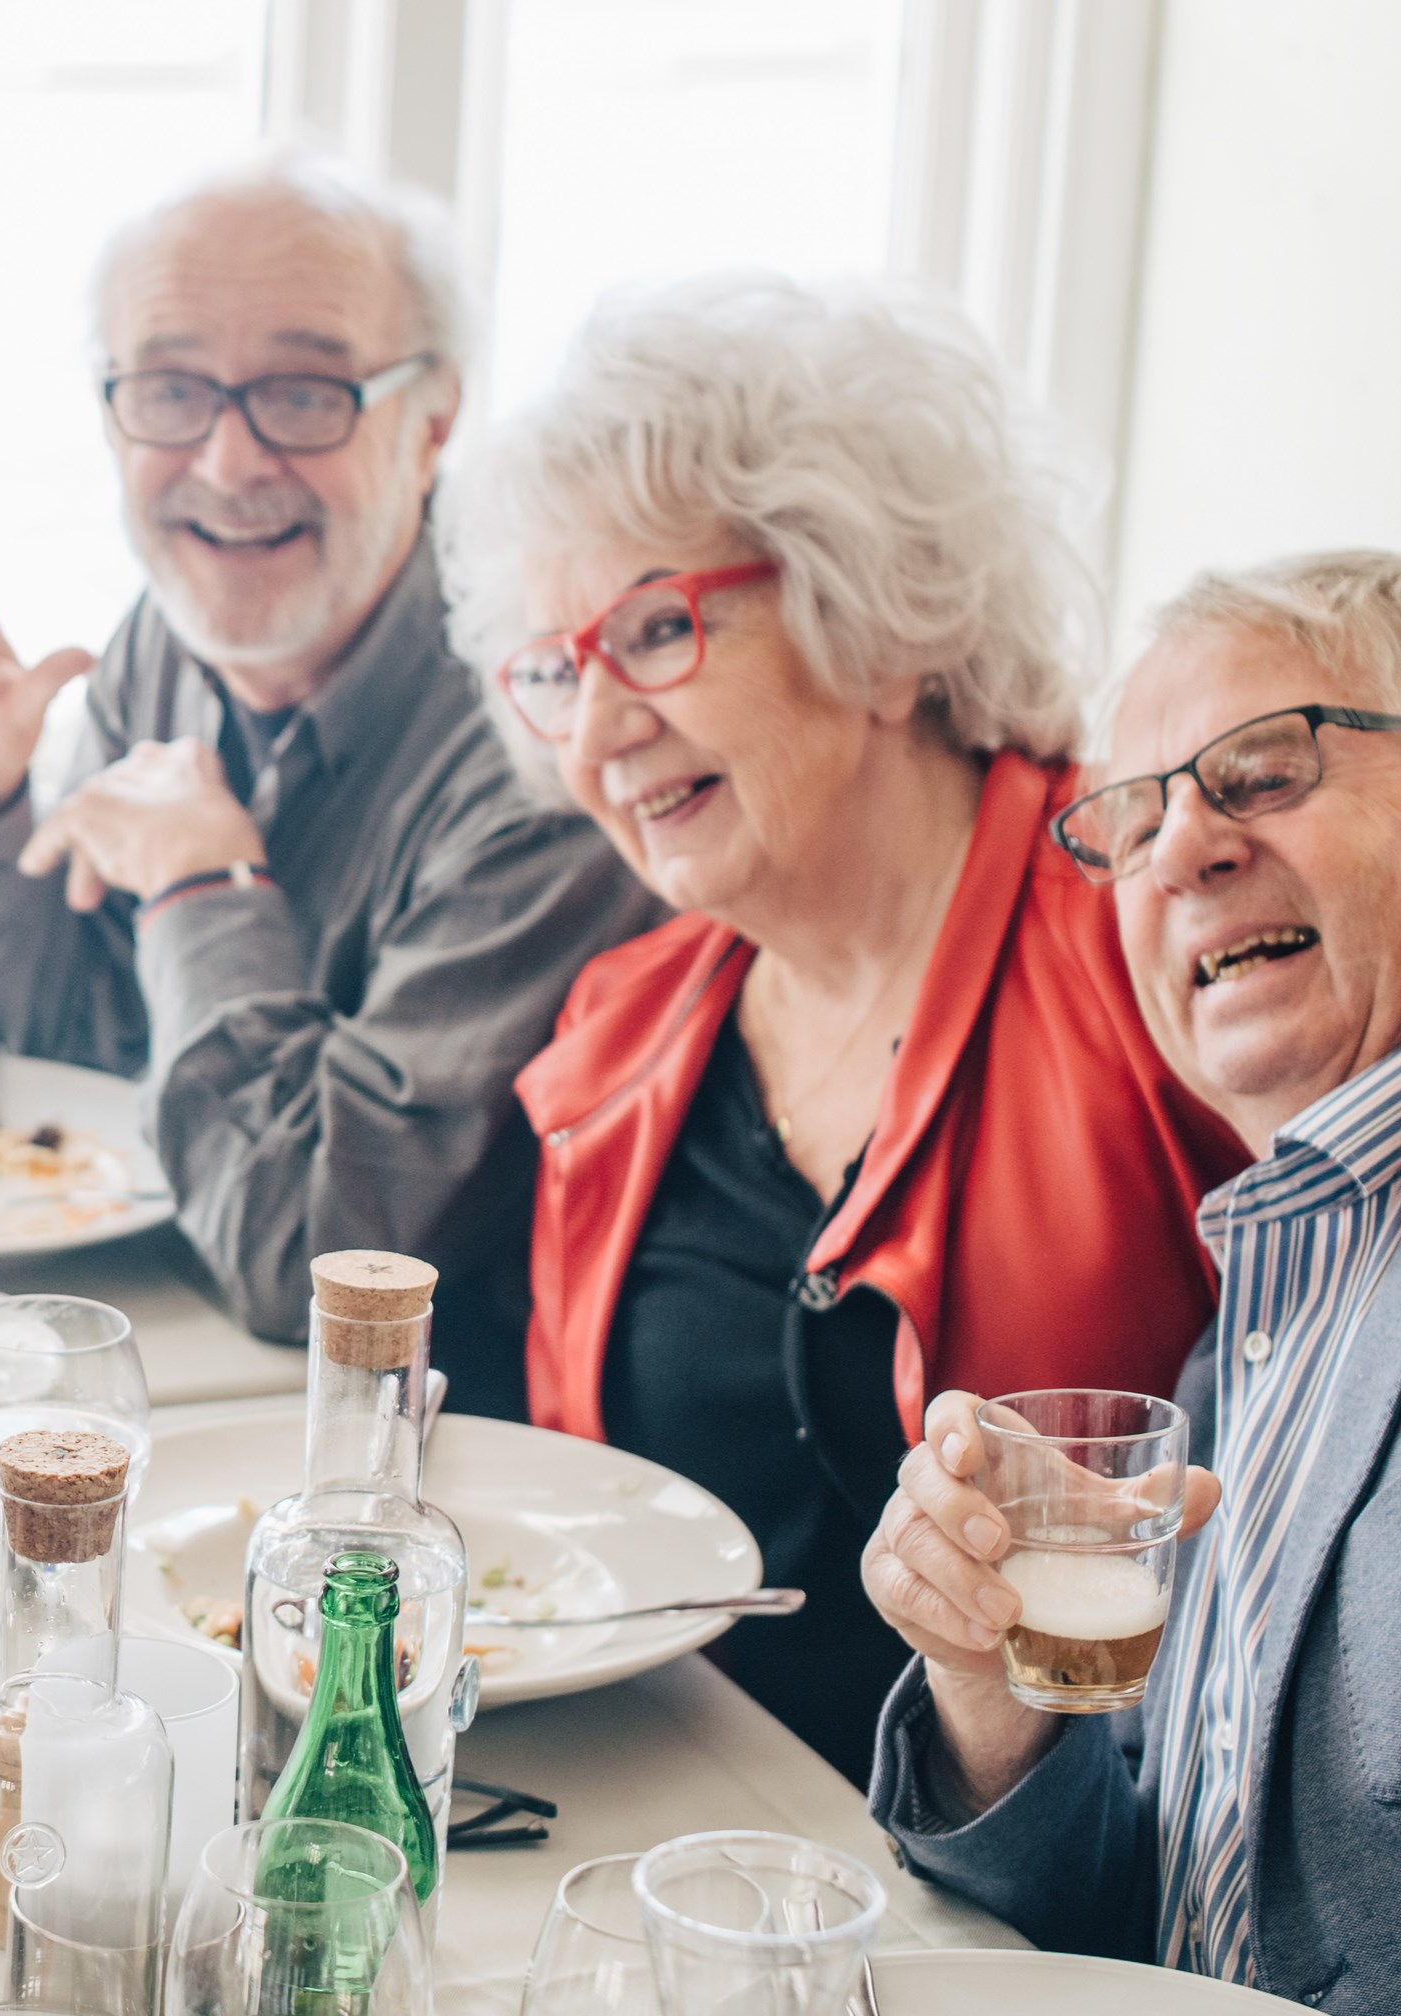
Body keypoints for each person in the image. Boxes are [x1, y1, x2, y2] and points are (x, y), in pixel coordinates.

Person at [438, 275, 1248, 1780]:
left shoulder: (1149, 928)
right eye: (555, 673)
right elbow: (590, 1558)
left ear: (877, 626)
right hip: (679, 1848)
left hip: (1085, 1889)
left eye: (659, 629)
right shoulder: (615, 1039)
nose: (599, 734)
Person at [0, 154, 659, 1414]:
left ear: (435, 420)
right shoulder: (173, 632)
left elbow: (313, 1264)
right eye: (172, 390)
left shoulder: (549, 725)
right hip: (177, 1384)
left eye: (305, 393)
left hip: (431, 1480)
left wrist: (205, 887)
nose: (230, 463)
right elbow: (69, 1087)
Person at [860, 552, 1401, 2006]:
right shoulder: (1267, 1301)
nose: (1179, 854)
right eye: (1138, 817)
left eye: (1264, 772)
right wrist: (990, 1680)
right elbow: (1153, 1920)